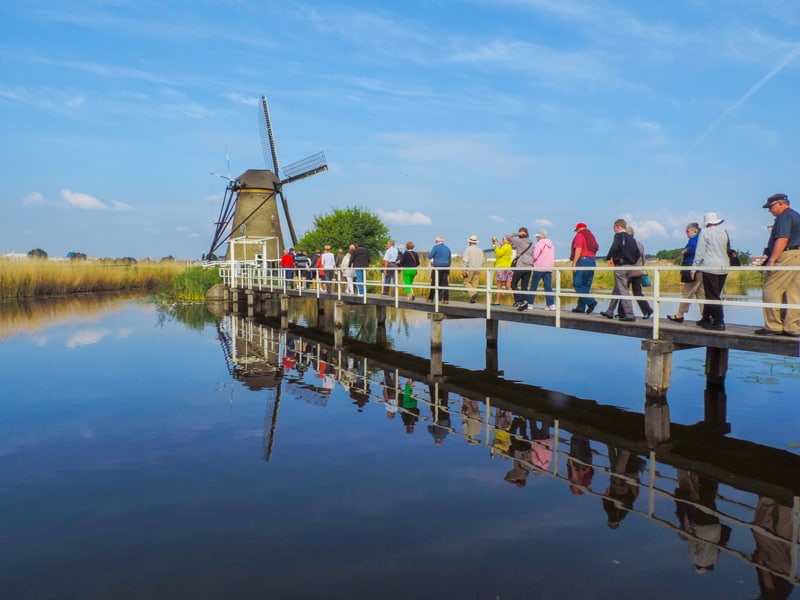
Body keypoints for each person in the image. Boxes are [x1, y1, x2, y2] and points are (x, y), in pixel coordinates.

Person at [756, 193, 800, 337]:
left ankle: (773, 326)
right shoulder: (796, 216)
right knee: (794, 292)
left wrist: (771, 260)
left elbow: (782, 239)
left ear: (781, 204)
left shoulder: (784, 217)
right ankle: (792, 326)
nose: (769, 210)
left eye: (771, 207)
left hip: (787, 255)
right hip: (797, 255)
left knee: (771, 289)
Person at [692, 212, 729, 331]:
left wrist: (694, 267)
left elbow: (700, 251)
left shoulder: (705, 232)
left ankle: (718, 321)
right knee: (715, 293)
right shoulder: (724, 232)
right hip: (723, 267)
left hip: (710, 266)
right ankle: (706, 317)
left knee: (711, 295)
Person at [599, 218, 639, 322]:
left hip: (621, 265)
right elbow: (637, 253)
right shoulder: (631, 238)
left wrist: (609, 258)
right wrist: (632, 261)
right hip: (630, 266)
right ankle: (610, 311)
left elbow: (614, 247)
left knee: (623, 289)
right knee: (618, 288)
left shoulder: (618, 236)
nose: (613, 230)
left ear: (618, 227)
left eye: (614, 228)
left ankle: (630, 314)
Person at [668, 223, 705, 323]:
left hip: (693, 270)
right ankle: (705, 316)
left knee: (687, 292)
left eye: (687, 231)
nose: (686, 233)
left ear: (694, 231)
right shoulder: (701, 238)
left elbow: (693, 248)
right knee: (701, 293)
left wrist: (685, 251)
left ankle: (679, 314)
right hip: (701, 270)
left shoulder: (694, 239)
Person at [623, 227, 653, 318]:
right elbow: (643, 258)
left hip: (629, 271)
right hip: (638, 271)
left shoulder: (626, 244)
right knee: (638, 293)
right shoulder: (639, 244)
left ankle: (622, 313)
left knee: (624, 292)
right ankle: (647, 310)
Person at [570, 222, 600, 313]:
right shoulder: (591, 236)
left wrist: (574, 263)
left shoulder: (580, 235)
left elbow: (578, 249)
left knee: (577, 284)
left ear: (578, 229)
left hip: (582, 261)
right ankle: (580, 307)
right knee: (586, 285)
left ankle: (591, 302)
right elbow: (595, 248)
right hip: (592, 261)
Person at [506, 227, 535, 310]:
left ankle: (521, 300)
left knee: (513, 284)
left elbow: (507, 237)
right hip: (529, 267)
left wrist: (517, 234)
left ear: (522, 234)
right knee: (524, 287)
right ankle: (525, 302)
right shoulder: (531, 244)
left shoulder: (519, 241)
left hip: (520, 266)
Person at [531, 229, 555, 310]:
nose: (536, 238)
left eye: (537, 236)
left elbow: (535, 255)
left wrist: (533, 262)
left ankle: (530, 303)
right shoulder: (551, 244)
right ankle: (551, 304)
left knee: (534, 285)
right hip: (548, 268)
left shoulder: (539, 244)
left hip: (539, 267)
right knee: (548, 286)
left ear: (540, 236)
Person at [427, 236, 452, 304]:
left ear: (436, 241)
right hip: (446, 267)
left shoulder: (436, 247)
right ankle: (446, 299)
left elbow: (430, 256)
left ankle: (430, 298)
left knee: (434, 282)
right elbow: (450, 259)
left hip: (438, 267)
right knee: (445, 283)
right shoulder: (447, 248)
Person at [461, 234, 485, 304]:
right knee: (475, 284)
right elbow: (483, 260)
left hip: (470, 268)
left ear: (470, 242)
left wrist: (464, 269)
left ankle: (473, 294)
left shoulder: (468, 249)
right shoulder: (480, 250)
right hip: (478, 269)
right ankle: (473, 299)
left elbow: (465, 260)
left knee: (466, 282)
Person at [491, 235, 513, 305]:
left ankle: (497, 302)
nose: (502, 240)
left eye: (504, 239)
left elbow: (499, 253)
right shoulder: (509, 247)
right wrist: (496, 246)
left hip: (501, 268)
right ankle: (517, 300)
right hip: (508, 268)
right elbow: (500, 252)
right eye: (502, 239)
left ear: (508, 241)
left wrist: (496, 246)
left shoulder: (506, 247)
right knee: (508, 286)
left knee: (499, 286)